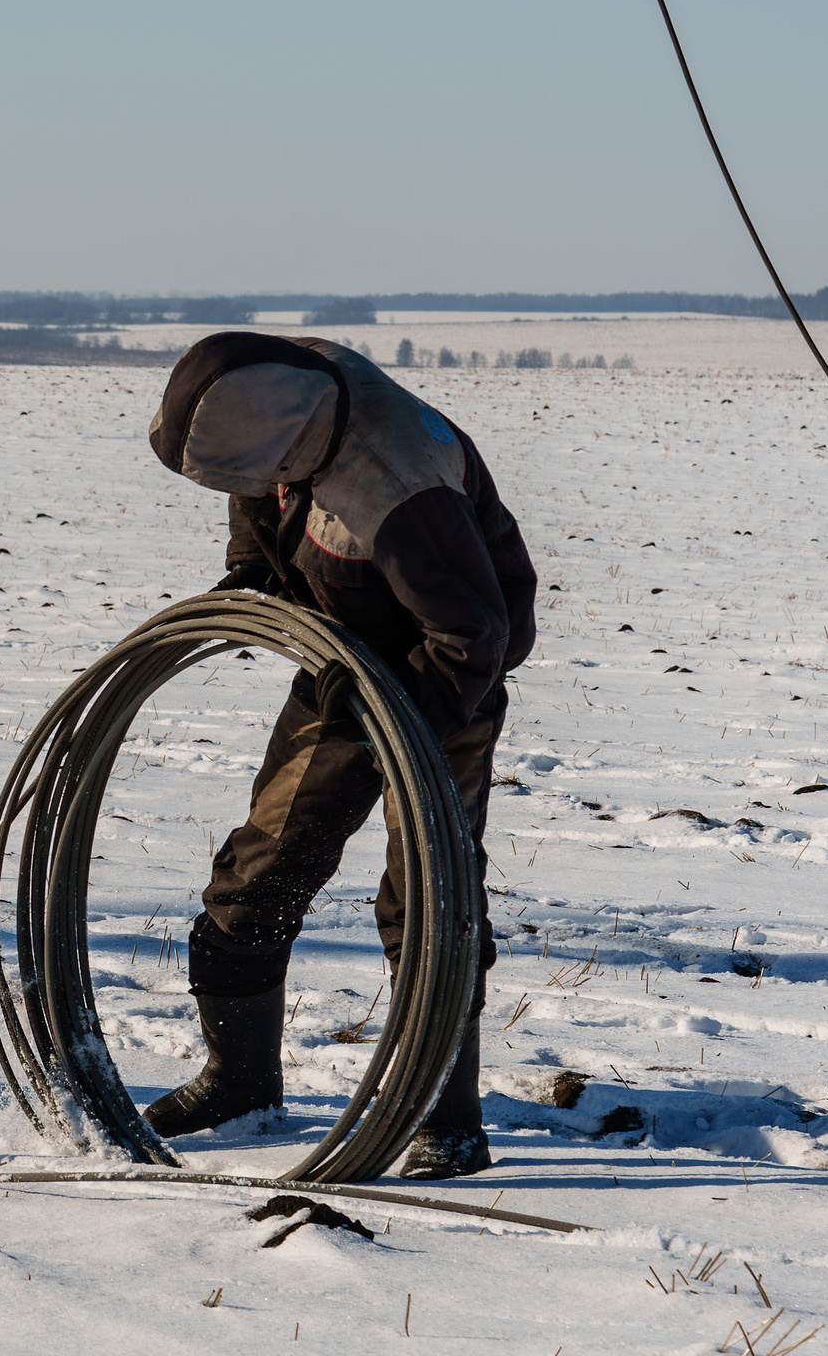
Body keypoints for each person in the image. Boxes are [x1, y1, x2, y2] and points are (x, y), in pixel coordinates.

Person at [143, 331, 537, 1178]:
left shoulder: (399, 488)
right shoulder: (280, 388)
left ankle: (445, 1114)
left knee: (429, 895)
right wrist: (253, 566)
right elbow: (254, 483)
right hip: (343, 654)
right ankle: (240, 1080)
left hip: (446, 681)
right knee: (263, 865)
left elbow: (478, 634)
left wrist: (397, 717)